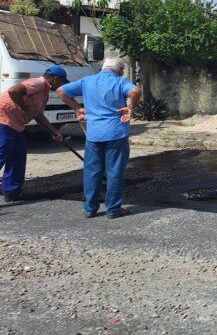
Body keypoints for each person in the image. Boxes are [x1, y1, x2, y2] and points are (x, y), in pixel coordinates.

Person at [57, 58, 141, 219]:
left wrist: (77, 108)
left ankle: (90, 208)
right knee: (114, 171)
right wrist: (130, 108)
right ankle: (113, 209)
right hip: (116, 133)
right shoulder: (120, 82)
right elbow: (136, 91)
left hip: (94, 134)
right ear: (120, 70)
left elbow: (61, 90)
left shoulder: (87, 81)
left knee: (92, 171)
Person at [0, 66, 69, 202]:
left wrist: (54, 132)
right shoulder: (38, 83)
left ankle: (12, 191)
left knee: (18, 155)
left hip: (16, 124)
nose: (61, 85)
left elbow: (38, 116)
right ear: (55, 79)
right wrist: (27, 109)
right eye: (61, 82)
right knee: (2, 153)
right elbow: (14, 91)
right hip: (4, 119)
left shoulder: (44, 93)